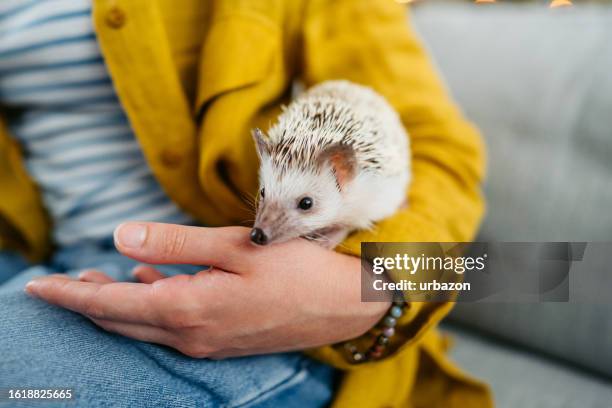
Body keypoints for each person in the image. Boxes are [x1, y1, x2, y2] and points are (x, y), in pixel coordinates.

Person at [0, 0, 492, 406]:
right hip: (33, 252)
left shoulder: (362, 176)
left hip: (238, 290)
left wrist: (366, 286)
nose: (263, 224)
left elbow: (444, 150)